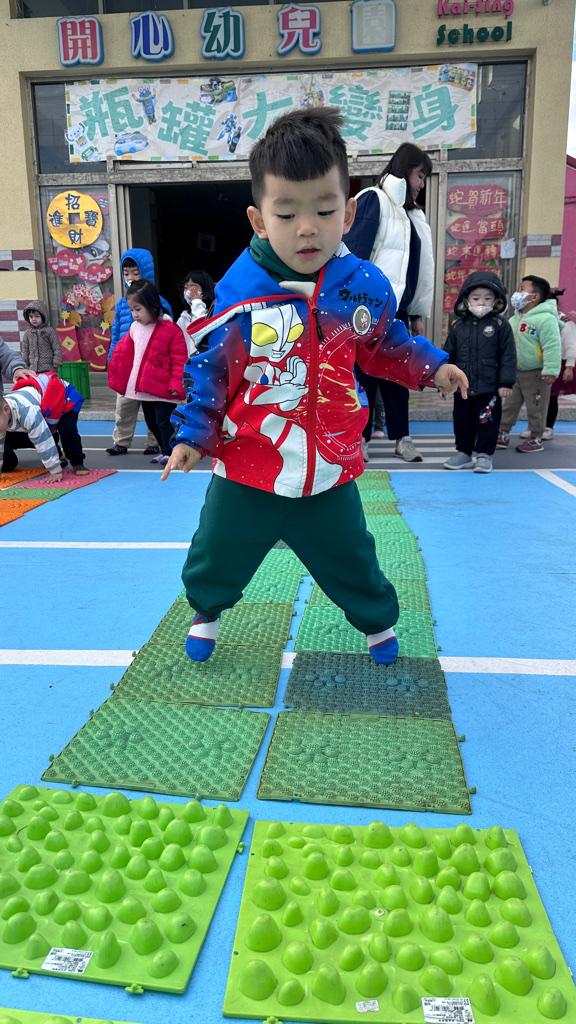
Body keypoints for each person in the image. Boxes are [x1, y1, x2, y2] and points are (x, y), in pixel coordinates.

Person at [160, 108, 467, 668]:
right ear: (259, 220)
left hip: (328, 464)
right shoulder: (240, 295)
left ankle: (376, 623)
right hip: (248, 463)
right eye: (287, 213)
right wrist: (192, 437)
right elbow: (211, 373)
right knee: (217, 550)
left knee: (351, 555)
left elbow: (386, 344)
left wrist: (432, 367)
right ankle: (206, 610)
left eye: (325, 210)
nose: (308, 227)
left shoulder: (361, 288)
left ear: (347, 212)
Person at [345, 142, 435, 463]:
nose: (422, 183)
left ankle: (402, 438)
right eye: (420, 175)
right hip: (366, 309)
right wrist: (349, 305)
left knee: (398, 373)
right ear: (405, 170)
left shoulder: (411, 216)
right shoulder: (374, 199)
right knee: (364, 376)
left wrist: (415, 312)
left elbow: (415, 271)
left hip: (396, 310)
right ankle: (361, 438)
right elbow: (353, 254)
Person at [108, 278, 188, 467]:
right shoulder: (134, 328)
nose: (134, 314)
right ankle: (165, 451)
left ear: (152, 306)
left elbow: (179, 359)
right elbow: (124, 355)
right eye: (131, 310)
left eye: (138, 309)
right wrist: (118, 375)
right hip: (144, 387)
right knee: (152, 423)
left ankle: (172, 452)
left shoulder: (171, 329)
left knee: (164, 421)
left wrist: (177, 384)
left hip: (164, 388)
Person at [442, 271, 516, 474]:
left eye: (487, 298)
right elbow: (448, 357)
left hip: (489, 387)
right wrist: (444, 383)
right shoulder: (457, 327)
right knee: (462, 421)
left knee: (487, 421)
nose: (481, 302)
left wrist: (506, 382)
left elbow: (508, 355)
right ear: (466, 301)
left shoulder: (500, 325)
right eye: (476, 298)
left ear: (496, 301)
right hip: (463, 387)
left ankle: (484, 454)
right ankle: (464, 453)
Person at [106, 248, 173, 457]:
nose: (131, 278)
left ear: (146, 273)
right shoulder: (121, 305)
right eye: (126, 273)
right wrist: (112, 359)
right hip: (127, 366)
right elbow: (116, 335)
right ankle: (121, 441)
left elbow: (169, 337)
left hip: (151, 367)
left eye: (136, 273)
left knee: (153, 408)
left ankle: (155, 442)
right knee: (124, 407)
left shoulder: (160, 304)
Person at [497, 275, 562, 453]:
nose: (517, 294)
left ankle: (536, 437)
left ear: (535, 297)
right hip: (515, 372)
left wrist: (551, 370)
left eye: (522, 289)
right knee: (509, 405)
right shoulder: (514, 319)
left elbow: (552, 345)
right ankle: (502, 433)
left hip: (537, 373)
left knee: (536, 406)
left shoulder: (545, 319)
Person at [0, 371, 86, 477]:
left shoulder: (28, 412)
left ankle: (77, 462)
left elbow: (43, 439)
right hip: (43, 401)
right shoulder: (4, 413)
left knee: (67, 429)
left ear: (6, 410)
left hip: (64, 396)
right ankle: (59, 457)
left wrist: (55, 471)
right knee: (42, 430)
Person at [519, 288, 576, 440]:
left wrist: (569, 367)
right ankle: (534, 427)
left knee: (550, 397)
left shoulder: (563, 321)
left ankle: (548, 427)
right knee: (534, 397)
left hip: (556, 363)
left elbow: (571, 345)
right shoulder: (533, 319)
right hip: (537, 363)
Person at [177, 270, 216, 356]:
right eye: (186, 287)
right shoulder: (183, 318)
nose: (188, 291)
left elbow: (200, 329)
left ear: (204, 294)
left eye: (193, 288)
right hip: (187, 362)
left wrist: (197, 302)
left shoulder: (210, 315)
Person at [21, 300, 63, 375]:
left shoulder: (49, 331)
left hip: (48, 367)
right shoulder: (28, 333)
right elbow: (25, 349)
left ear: (43, 316)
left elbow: (56, 347)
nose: (34, 319)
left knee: (48, 382)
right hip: (33, 368)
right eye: (31, 317)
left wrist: (57, 360)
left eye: (37, 316)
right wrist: (25, 362)